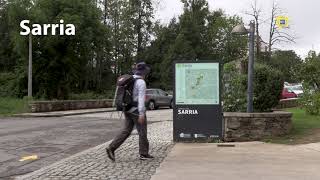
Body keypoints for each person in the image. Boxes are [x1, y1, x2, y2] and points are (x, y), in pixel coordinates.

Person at [106, 62, 154, 161]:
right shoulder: (141, 83)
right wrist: (141, 113)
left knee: (126, 130)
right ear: (144, 72)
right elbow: (141, 99)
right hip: (136, 111)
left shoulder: (130, 79)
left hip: (127, 109)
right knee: (142, 131)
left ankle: (111, 147)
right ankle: (143, 154)